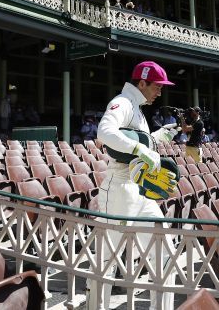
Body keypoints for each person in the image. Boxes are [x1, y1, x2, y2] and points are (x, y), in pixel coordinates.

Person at [86, 60, 189, 310]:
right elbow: (105, 132)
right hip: (120, 185)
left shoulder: (137, 107)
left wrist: (159, 135)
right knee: (107, 256)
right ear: (141, 83)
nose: (160, 91)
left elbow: (137, 140)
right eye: (157, 86)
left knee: (163, 250)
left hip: (139, 187)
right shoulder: (122, 102)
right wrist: (140, 148)